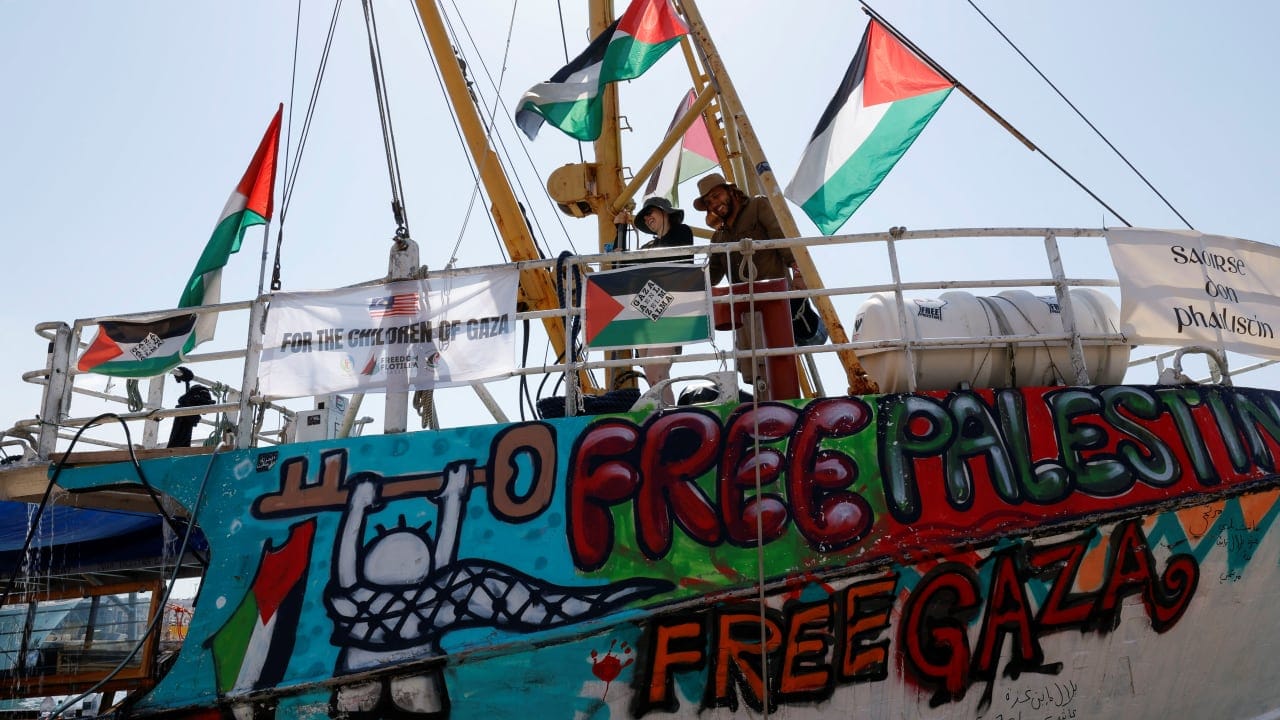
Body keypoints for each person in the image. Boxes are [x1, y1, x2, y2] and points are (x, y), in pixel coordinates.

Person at [692, 173, 827, 384]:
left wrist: (799, 274)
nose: (714, 204)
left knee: (778, 363)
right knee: (755, 370)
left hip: (774, 300)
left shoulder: (757, 206)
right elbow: (711, 276)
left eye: (716, 196)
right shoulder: (719, 237)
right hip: (746, 310)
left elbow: (782, 238)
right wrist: (683, 281)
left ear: (730, 191)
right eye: (709, 202)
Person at [614, 196, 694, 404]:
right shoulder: (648, 247)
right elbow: (619, 267)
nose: (647, 218)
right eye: (644, 216)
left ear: (665, 212)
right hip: (647, 310)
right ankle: (666, 412)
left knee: (655, 371)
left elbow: (670, 257)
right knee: (654, 375)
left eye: (650, 213)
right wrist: (619, 231)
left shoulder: (681, 232)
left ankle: (667, 414)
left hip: (671, 308)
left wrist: (639, 261)